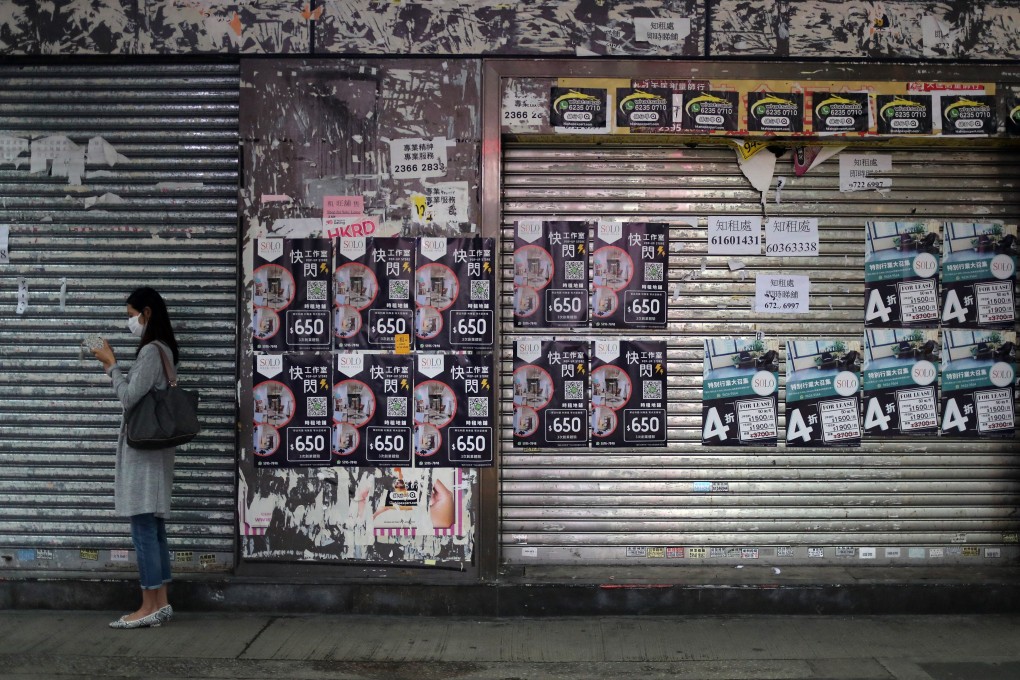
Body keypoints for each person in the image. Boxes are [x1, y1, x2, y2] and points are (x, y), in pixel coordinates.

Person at [91, 287, 179, 629]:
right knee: (154, 528)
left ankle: (147, 606)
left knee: (143, 528)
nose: (129, 322)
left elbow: (129, 398)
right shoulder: (167, 352)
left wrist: (112, 366)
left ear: (146, 313)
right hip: (158, 451)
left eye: (131, 316)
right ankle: (162, 602)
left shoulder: (150, 353)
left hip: (144, 452)